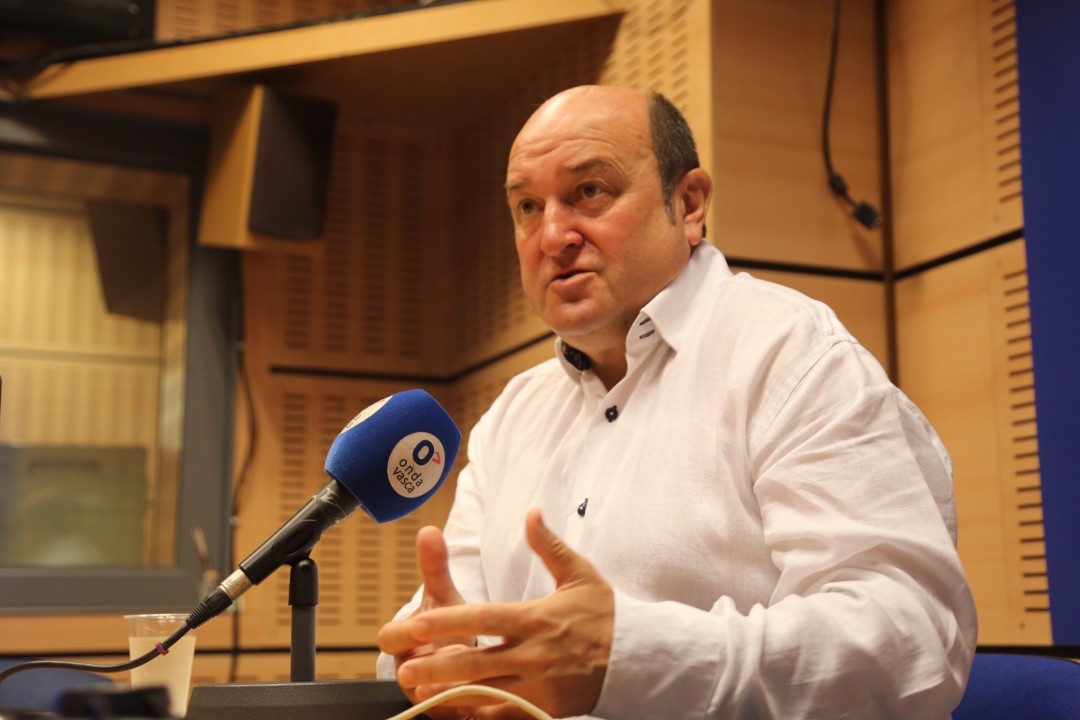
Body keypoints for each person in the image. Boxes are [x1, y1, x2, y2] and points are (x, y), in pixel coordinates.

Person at [376, 85, 977, 720]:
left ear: (689, 204)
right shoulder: (512, 414)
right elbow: (447, 618)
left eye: (589, 191)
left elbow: (909, 635)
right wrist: (435, 651)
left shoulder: (788, 353)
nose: (551, 236)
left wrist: (629, 657)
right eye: (528, 206)